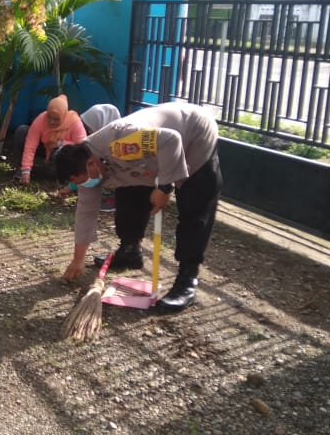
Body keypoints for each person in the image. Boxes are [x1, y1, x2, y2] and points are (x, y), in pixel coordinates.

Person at [54, 102, 222, 312]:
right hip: (150, 157)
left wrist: (164, 187)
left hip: (192, 133)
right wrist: (78, 260)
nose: (85, 185)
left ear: (91, 164)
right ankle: (130, 251)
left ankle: (188, 279)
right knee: (129, 192)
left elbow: (171, 140)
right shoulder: (85, 170)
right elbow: (85, 213)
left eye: (83, 179)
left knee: (194, 203)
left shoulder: (121, 140)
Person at [12, 94, 87, 184]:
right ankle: (20, 170)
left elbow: (82, 147)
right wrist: (26, 170)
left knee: (65, 150)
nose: (52, 121)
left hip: (61, 152)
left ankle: (65, 176)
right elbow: (30, 146)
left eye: (56, 119)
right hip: (43, 147)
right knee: (22, 131)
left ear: (64, 115)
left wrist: (60, 143)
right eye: (49, 117)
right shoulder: (41, 119)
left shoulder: (75, 122)